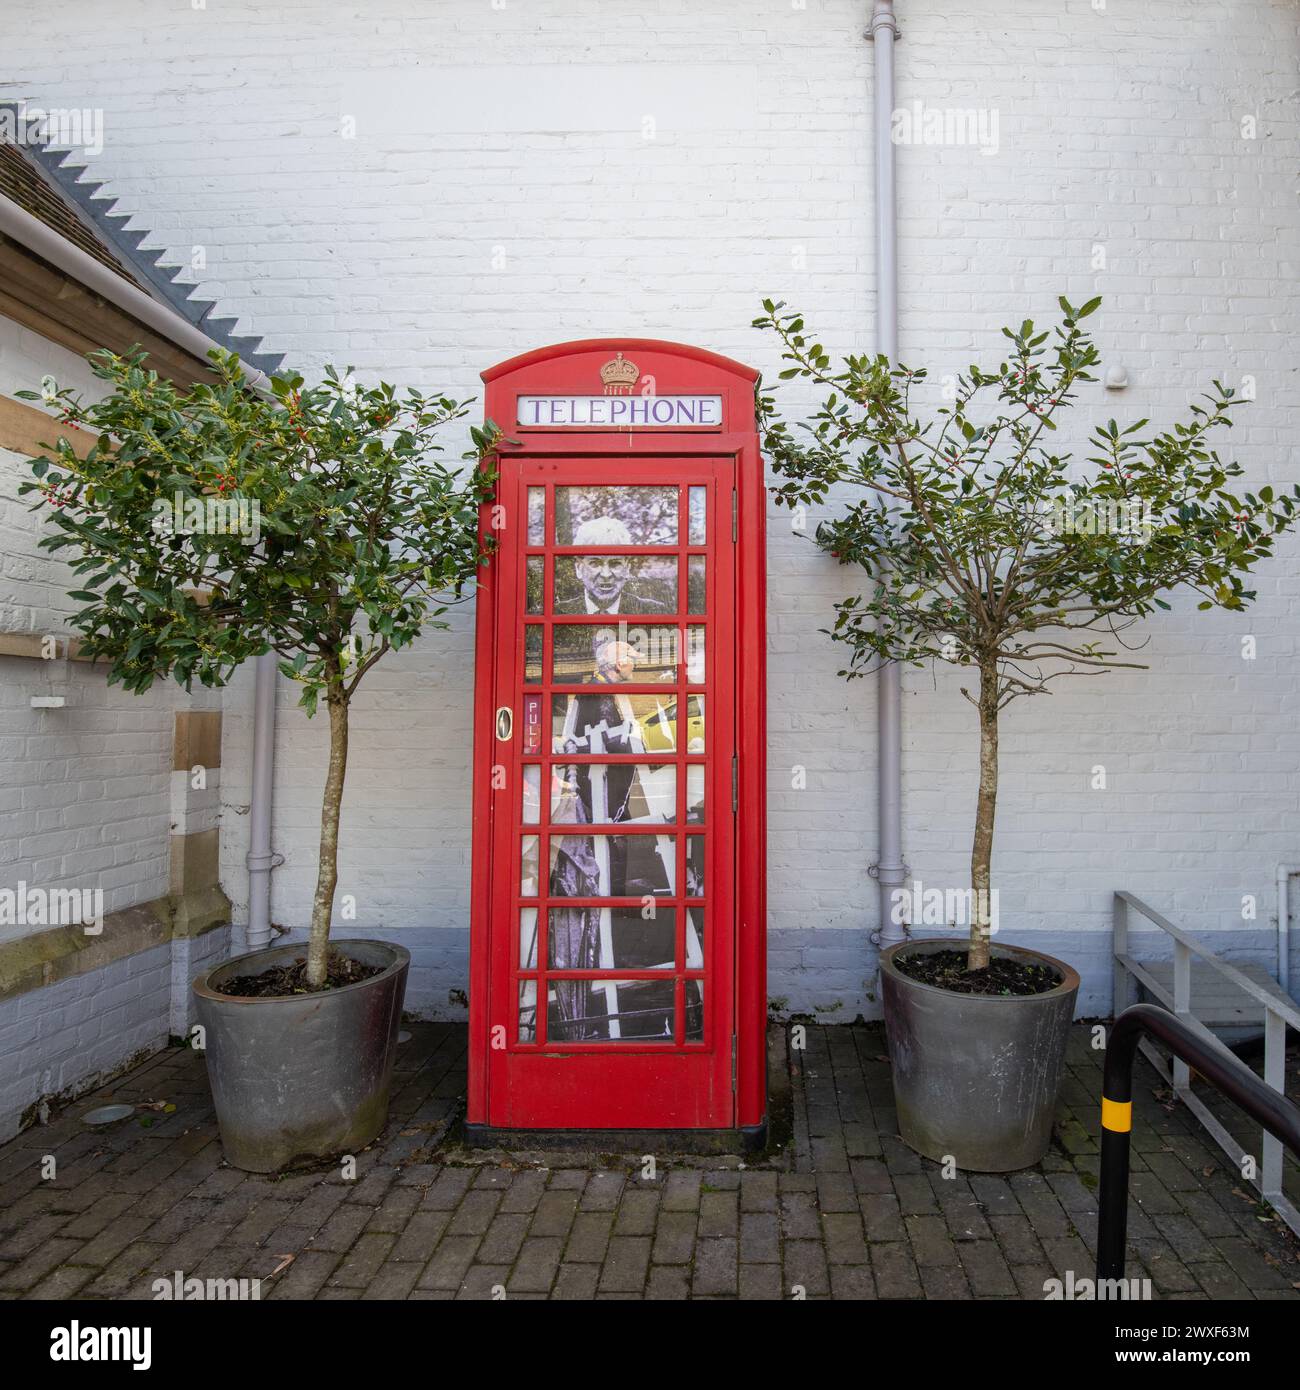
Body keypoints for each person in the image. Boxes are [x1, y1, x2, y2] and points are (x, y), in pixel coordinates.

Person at [558, 517, 671, 615]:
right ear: (579, 568)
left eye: (615, 564)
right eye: (595, 563)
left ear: (627, 568)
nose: (606, 574)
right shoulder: (558, 613)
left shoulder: (654, 611)